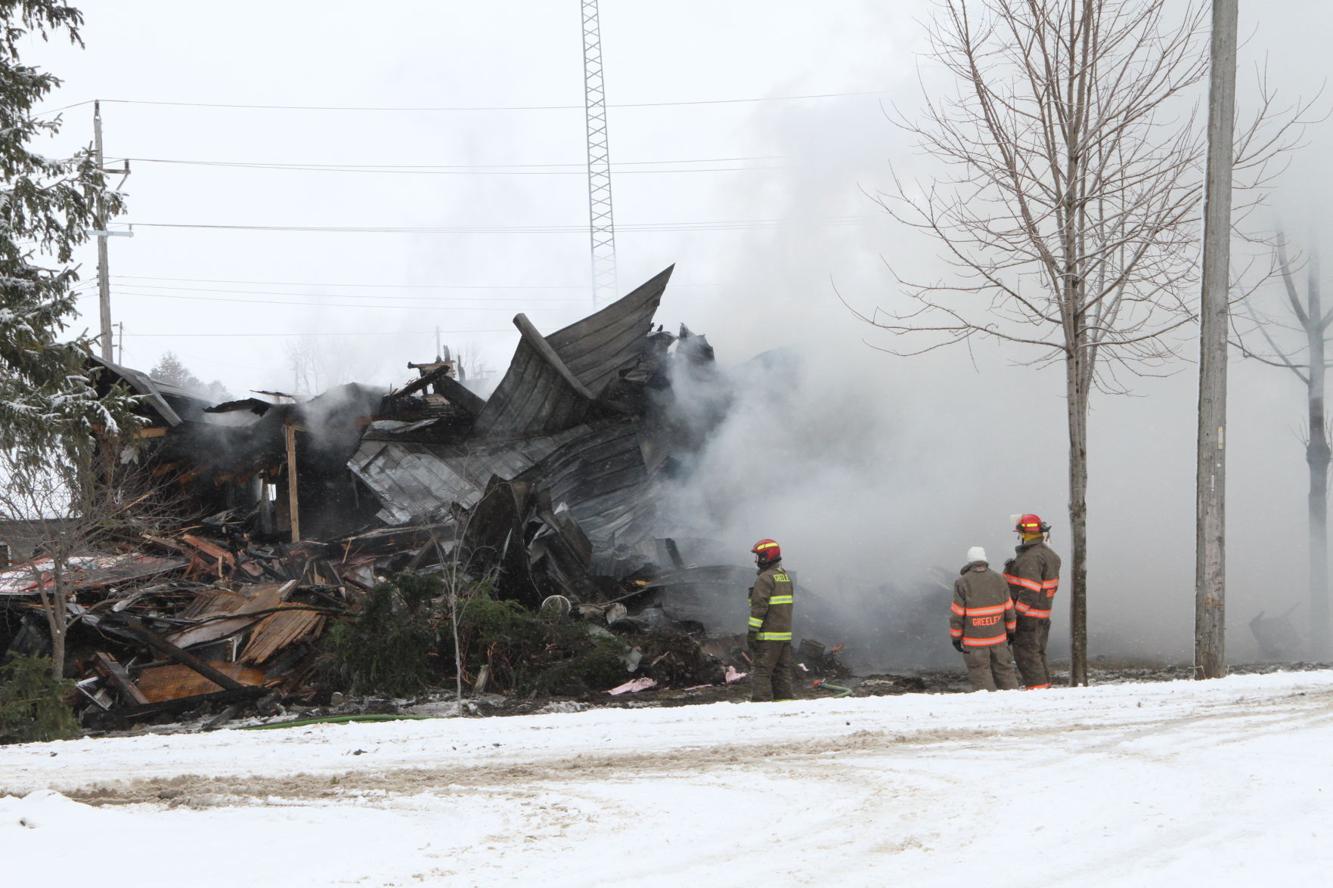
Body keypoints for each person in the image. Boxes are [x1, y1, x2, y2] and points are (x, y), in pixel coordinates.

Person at [1003, 513, 1062, 689]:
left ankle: (1038, 693)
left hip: (1029, 617)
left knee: (1027, 656)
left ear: (1022, 533)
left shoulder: (1030, 558)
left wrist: (1016, 614)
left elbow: (1030, 590)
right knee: (1038, 654)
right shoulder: (1049, 555)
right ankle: (1044, 689)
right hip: (1042, 615)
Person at [949, 546, 1020, 692]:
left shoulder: (963, 582)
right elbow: (1009, 609)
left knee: (981, 675)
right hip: (999, 640)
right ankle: (1013, 704)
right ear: (985, 560)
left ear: (969, 562)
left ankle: (990, 707)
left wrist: (956, 637)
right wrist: (1011, 631)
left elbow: (957, 614)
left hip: (975, 643)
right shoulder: (999, 579)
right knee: (1005, 672)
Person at [747, 538, 795, 702]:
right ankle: (785, 704)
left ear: (766, 557)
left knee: (762, 671)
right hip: (784, 635)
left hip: (768, 636)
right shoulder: (785, 577)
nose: (757, 560)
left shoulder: (764, 578)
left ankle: (762, 705)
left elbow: (759, 608)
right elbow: (779, 606)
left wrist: (752, 632)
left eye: (759, 556)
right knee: (782, 672)